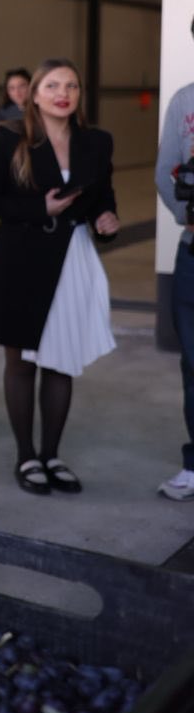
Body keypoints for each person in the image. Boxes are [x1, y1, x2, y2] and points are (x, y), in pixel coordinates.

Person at [0, 58, 117, 495]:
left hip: (72, 256)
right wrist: (40, 208)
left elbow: (102, 197)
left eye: (71, 86)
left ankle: (52, 455)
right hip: (20, 258)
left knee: (62, 359)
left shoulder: (96, 142)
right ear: (33, 94)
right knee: (21, 362)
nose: (63, 94)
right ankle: (26, 456)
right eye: (53, 85)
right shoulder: (9, 138)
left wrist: (106, 219)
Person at [157, 70, 194, 501]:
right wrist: (188, 217)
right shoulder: (185, 101)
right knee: (193, 366)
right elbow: (163, 173)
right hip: (192, 253)